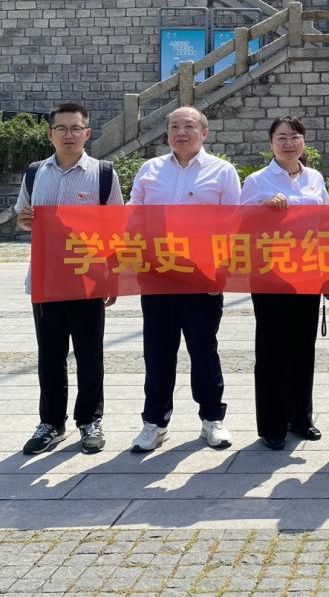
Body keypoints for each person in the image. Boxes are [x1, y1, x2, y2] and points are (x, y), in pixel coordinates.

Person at [129, 106, 241, 453]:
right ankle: (155, 422)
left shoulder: (222, 171)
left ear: (204, 132)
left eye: (189, 126)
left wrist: (222, 271)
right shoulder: (150, 170)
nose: (181, 132)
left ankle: (212, 418)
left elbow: (233, 224)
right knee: (157, 351)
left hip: (202, 276)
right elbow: (132, 217)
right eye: (174, 126)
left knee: (203, 349)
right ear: (167, 134)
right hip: (157, 273)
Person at [14, 102, 124, 455]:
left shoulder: (103, 174)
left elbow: (117, 229)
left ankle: (90, 421)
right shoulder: (35, 172)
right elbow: (22, 217)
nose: (69, 135)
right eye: (61, 128)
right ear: (50, 134)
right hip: (46, 281)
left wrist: (113, 277)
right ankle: (51, 423)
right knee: (50, 355)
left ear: (87, 133)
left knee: (90, 355)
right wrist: (25, 220)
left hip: (87, 280)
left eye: (76, 128)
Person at [242, 117, 329, 450]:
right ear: (271, 144)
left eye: (294, 137)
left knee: (303, 348)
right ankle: (272, 425)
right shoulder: (256, 181)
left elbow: (328, 222)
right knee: (272, 350)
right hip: (270, 276)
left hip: (307, 273)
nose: (289, 143)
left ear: (303, 142)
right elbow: (237, 224)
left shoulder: (315, 178)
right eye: (281, 138)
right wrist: (262, 207)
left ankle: (301, 418)